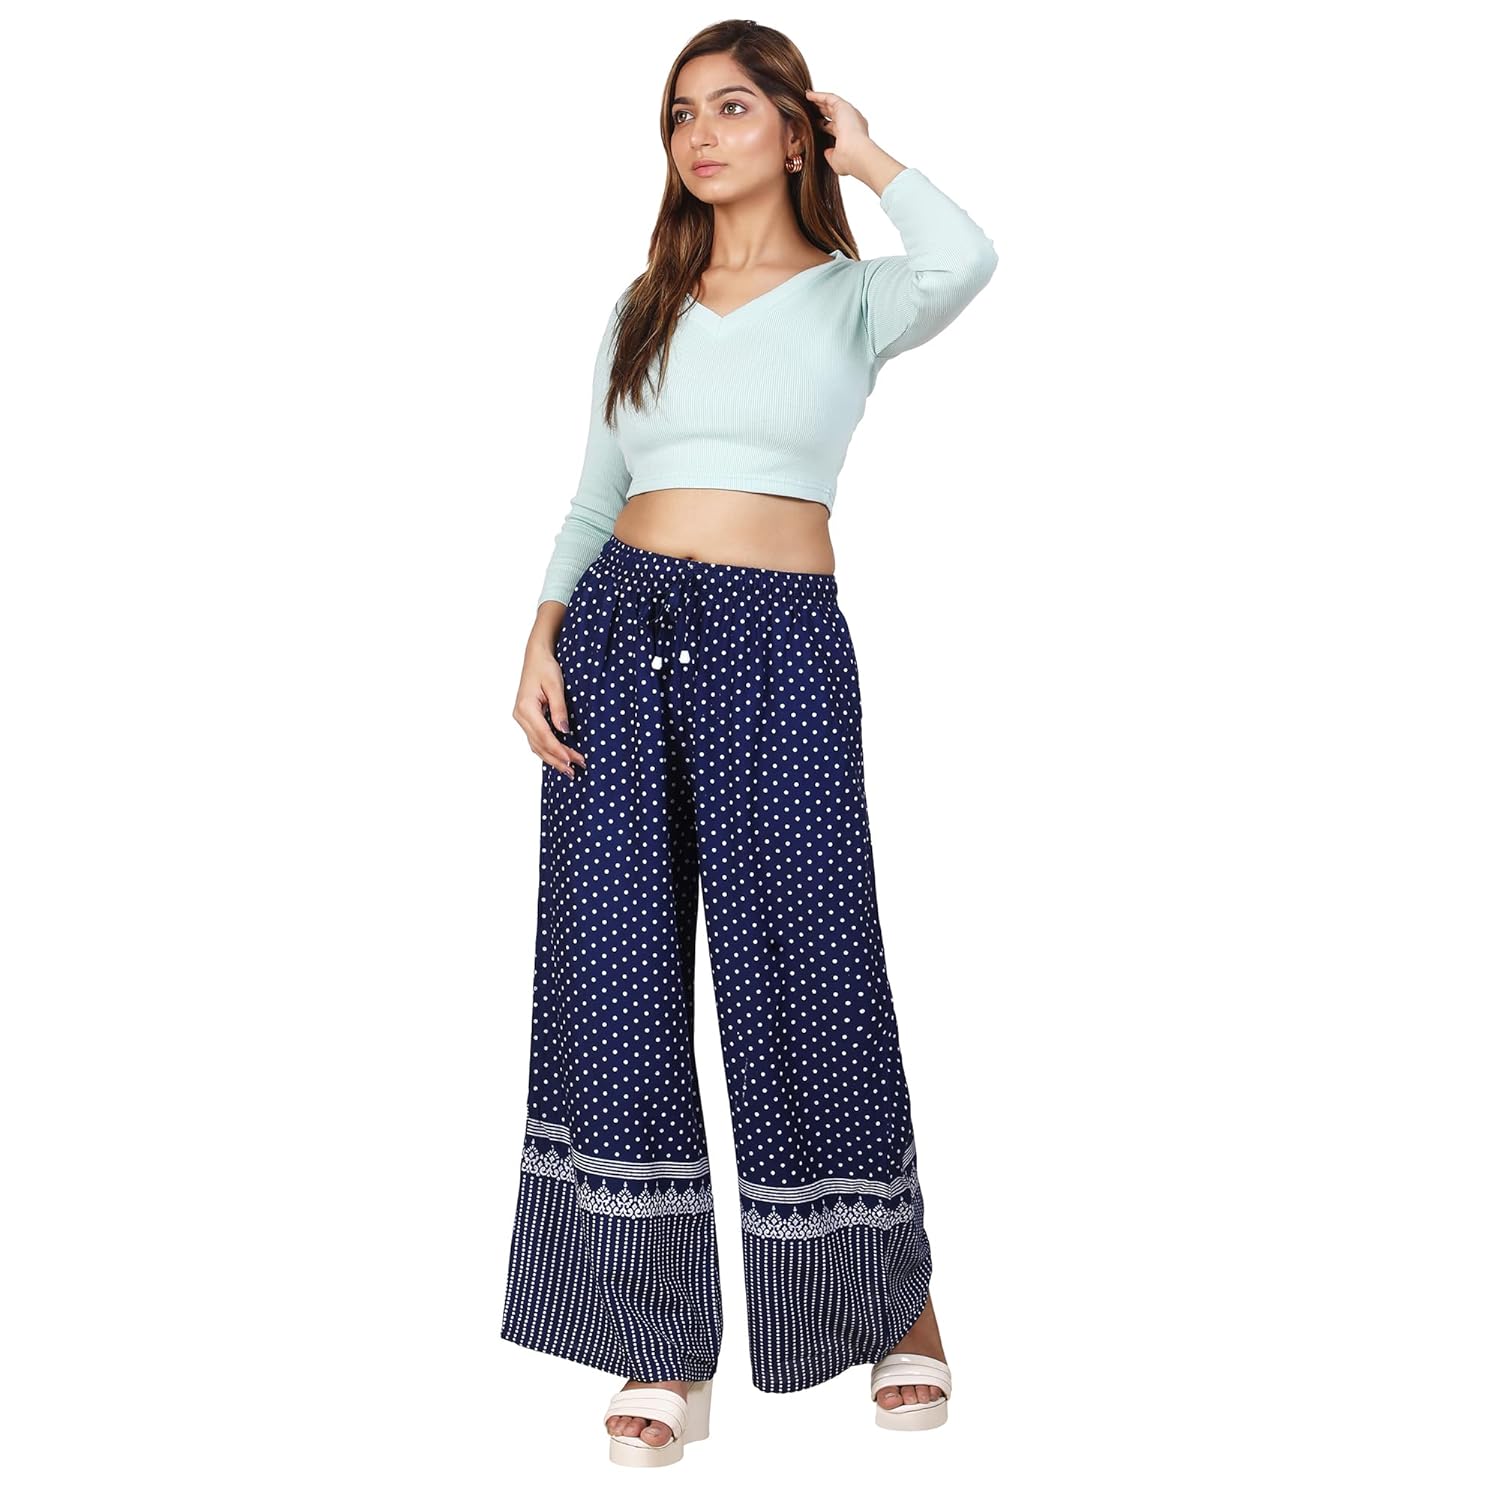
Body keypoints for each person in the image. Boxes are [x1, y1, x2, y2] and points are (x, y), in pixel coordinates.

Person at [501, 22, 997, 1467]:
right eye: (680, 114)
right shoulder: (643, 305)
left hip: (777, 643)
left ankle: (893, 1305)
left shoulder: (853, 299)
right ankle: (658, 1336)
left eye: (732, 107)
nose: (701, 136)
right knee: (613, 974)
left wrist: (871, 153)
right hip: (616, 630)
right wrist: (539, 632)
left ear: (794, 129)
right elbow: (594, 492)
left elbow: (966, 258)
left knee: (811, 957)